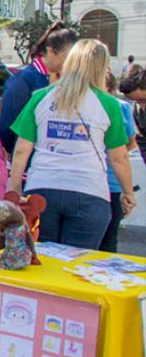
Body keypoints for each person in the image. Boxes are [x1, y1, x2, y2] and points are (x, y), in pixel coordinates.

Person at [8, 39, 136, 249]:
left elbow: (21, 149)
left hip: (41, 188)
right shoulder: (109, 104)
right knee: (78, 265)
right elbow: (118, 157)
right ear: (101, 68)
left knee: (43, 259)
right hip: (90, 191)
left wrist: (14, 186)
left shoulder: (40, 98)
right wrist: (128, 192)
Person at [0, 22, 78, 155]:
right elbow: (7, 128)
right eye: (66, 59)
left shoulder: (69, 80)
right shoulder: (23, 81)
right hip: (31, 163)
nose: (69, 65)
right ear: (50, 51)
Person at [100, 71, 138, 252]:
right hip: (94, 181)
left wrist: (113, 152)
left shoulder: (121, 107)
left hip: (112, 182)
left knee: (109, 237)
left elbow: (131, 142)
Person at [119, 64, 146, 151]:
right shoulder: (137, 111)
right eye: (137, 101)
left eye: (143, 100)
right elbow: (142, 142)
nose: (141, 106)